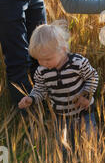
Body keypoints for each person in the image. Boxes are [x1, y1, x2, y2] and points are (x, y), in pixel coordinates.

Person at [18, 20, 98, 149]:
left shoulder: (78, 63)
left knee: (90, 142)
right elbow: (40, 90)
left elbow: (92, 77)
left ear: (64, 49)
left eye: (48, 59)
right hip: (62, 117)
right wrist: (31, 98)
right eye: (39, 60)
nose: (44, 63)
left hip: (84, 112)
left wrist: (86, 95)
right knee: (63, 147)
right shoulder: (41, 71)